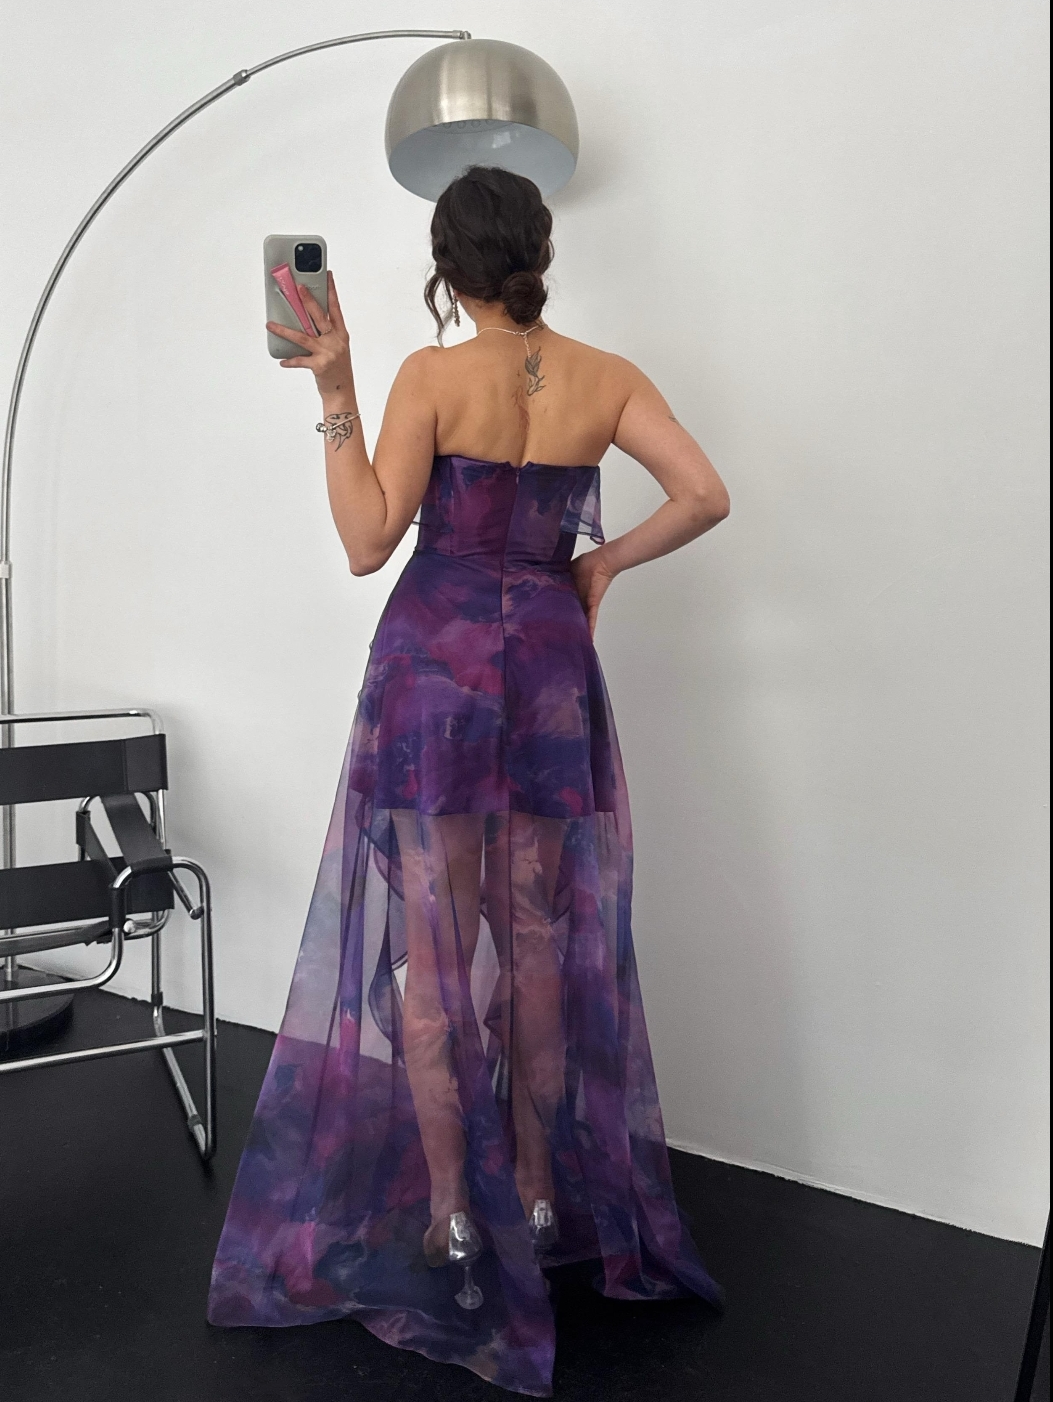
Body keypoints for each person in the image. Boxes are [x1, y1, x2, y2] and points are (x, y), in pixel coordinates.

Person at [207, 166, 730, 1397]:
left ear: (446, 268)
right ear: (540, 254)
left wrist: (333, 387)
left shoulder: (432, 377)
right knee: (535, 938)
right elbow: (706, 495)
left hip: (436, 671)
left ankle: (452, 1209)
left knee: (436, 958)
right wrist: (602, 565)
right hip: (545, 666)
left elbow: (365, 541)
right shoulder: (606, 376)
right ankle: (539, 1191)